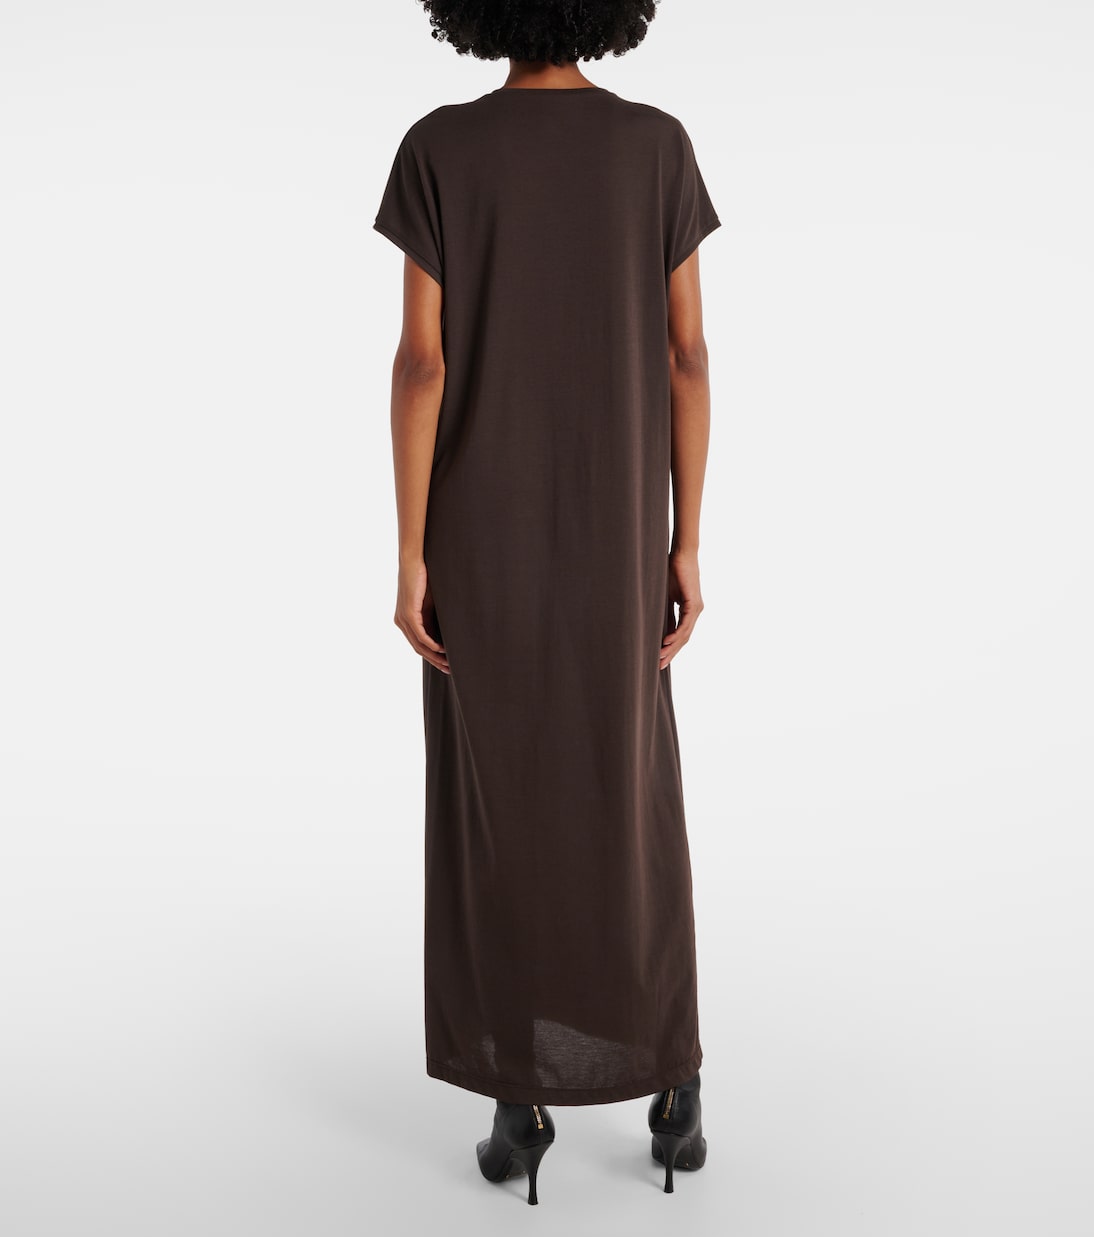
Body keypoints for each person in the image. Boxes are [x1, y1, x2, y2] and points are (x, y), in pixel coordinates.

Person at [373, 0, 719, 1205]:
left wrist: (409, 551)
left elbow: (423, 361)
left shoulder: (438, 148)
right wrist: (684, 538)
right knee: (632, 790)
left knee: (493, 799)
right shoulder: (655, 145)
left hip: (479, 531)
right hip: (620, 528)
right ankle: (671, 1084)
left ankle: (517, 1096)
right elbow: (686, 354)